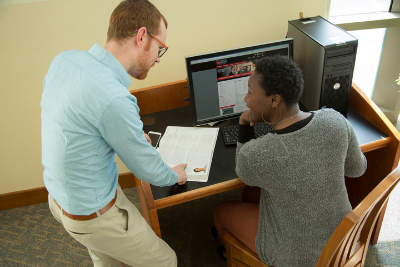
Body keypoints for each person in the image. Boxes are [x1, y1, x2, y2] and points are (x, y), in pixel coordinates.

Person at [41, 1, 186, 266]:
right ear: (142, 36)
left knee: (106, 261)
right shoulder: (113, 97)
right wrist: (175, 173)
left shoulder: (64, 60)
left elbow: (75, 125)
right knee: (166, 261)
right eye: (159, 48)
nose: (157, 59)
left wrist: (126, 137)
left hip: (59, 199)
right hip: (91, 214)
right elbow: (148, 171)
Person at [213, 56, 367, 267]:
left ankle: (232, 254)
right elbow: (357, 169)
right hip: (342, 237)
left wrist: (243, 123)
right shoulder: (335, 119)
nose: (246, 100)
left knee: (220, 211)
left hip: (295, 255)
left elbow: (244, 172)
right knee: (251, 195)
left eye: (249, 92)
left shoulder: (260, 153)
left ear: (274, 100)